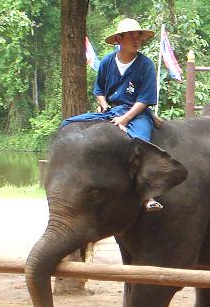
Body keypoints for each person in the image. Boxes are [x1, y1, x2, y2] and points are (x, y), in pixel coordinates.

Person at [59, 18, 162, 211]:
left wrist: (125, 119)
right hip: (110, 112)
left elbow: (145, 99)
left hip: (137, 114)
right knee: (67, 124)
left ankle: (148, 194)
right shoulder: (107, 61)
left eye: (138, 36)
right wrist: (104, 105)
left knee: (141, 145)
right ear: (119, 39)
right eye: (131, 36)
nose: (136, 40)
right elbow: (99, 91)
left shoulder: (145, 65)